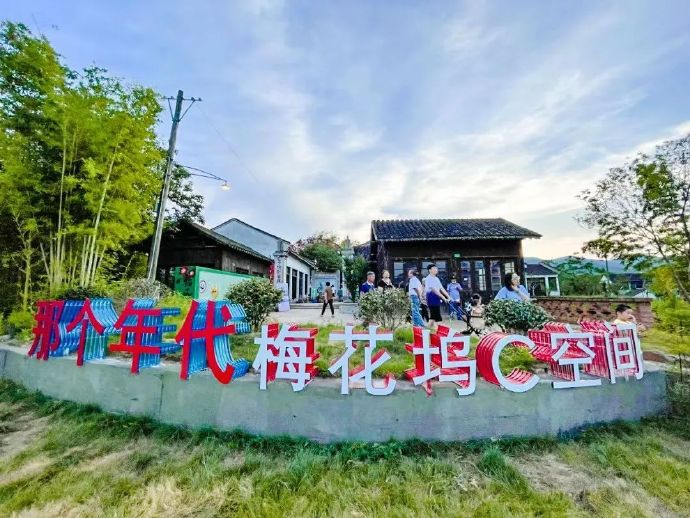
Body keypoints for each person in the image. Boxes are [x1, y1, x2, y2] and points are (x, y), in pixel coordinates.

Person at [424, 264, 451, 330]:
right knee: (436, 316)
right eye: (434, 268)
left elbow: (441, 288)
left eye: (436, 268)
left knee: (433, 317)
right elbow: (434, 290)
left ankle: (427, 331)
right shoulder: (428, 279)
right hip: (431, 297)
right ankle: (439, 331)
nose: (436, 270)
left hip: (436, 298)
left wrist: (448, 296)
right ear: (429, 270)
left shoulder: (436, 279)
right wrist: (444, 298)